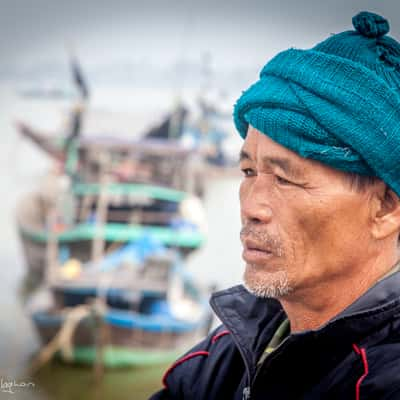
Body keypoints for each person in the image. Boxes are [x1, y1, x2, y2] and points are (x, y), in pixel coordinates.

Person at [150, 11, 400, 400]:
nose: (252, 207)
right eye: (249, 171)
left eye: (285, 178)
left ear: (386, 207)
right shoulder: (227, 352)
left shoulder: (381, 382)